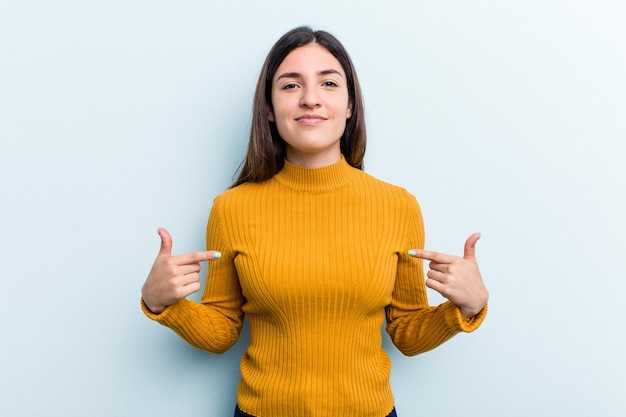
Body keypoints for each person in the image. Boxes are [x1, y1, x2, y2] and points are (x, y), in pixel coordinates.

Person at [141, 26, 489, 417]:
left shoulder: (398, 205)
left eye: (328, 83)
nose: (310, 99)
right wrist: (162, 305)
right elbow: (222, 329)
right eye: (290, 86)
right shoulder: (232, 208)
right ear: (269, 109)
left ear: (350, 104)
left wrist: (466, 309)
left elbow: (407, 332)